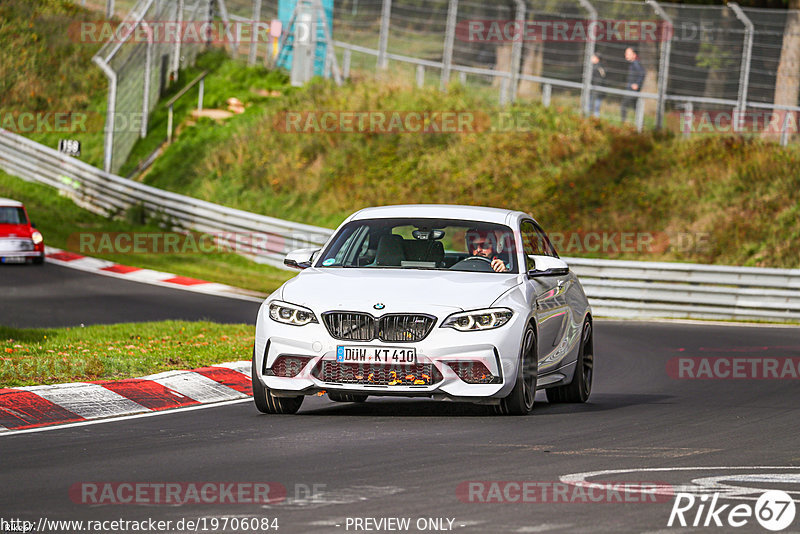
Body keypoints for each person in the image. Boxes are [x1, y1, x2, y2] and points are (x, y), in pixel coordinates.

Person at [621, 47, 645, 122]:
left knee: (624, 105)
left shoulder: (636, 63)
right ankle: (639, 124)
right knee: (635, 107)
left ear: (634, 55)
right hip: (630, 88)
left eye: (628, 53)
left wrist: (637, 84)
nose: (626, 55)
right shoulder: (632, 63)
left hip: (632, 89)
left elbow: (642, 73)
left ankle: (624, 122)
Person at [590, 52, 607, 118]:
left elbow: (600, 80)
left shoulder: (599, 67)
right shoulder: (595, 66)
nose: (591, 58)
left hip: (597, 92)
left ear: (597, 59)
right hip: (594, 91)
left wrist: (596, 89)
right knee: (591, 108)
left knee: (595, 110)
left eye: (593, 57)